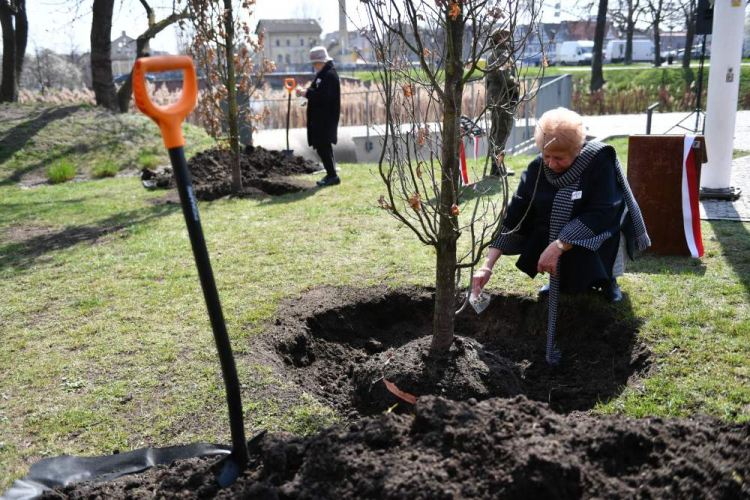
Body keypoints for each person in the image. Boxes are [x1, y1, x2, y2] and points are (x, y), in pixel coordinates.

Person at [471, 107, 650, 366]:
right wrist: (487, 265)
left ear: (578, 149)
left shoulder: (598, 163)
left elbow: (603, 212)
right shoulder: (535, 171)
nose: (552, 164)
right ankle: (563, 279)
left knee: (601, 238)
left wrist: (560, 244)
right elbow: (515, 217)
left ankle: (609, 281)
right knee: (546, 235)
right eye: (546, 156)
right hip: (555, 231)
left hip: (596, 228)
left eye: (560, 158)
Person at [296, 46, 341, 187]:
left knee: (323, 145)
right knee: (323, 146)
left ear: (324, 61)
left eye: (317, 63)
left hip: (325, 118)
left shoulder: (330, 75)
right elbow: (316, 91)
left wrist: (306, 94)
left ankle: (332, 176)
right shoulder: (323, 74)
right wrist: (306, 91)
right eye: (314, 64)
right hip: (320, 118)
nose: (315, 66)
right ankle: (331, 174)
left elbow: (324, 98)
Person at [485, 28, 519, 176]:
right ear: (500, 39)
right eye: (506, 37)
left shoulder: (491, 54)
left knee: (496, 132)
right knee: (502, 133)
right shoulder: (503, 54)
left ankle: (496, 167)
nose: (509, 40)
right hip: (504, 98)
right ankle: (497, 168)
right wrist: (516, 83)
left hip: (496, 98)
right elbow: (505, 76)